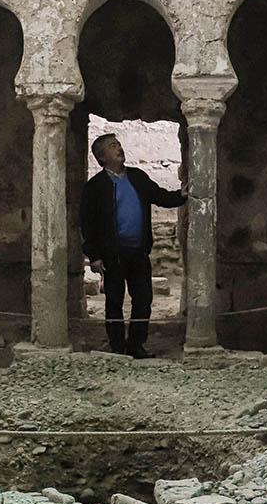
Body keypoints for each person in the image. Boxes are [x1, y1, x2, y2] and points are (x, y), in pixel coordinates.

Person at [80, 133, 187, 358]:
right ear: (101, 158)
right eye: (112, 146)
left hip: (138, 251)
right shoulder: (95, 186)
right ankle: (117, 346)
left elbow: (160, 196)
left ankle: (137, 345)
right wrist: (94, 256)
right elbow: (87, 223)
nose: (119, 148)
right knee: (114, 300)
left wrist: (182, 195)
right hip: (112, 255)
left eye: (118, 144)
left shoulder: (137, 177)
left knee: (143, 299)